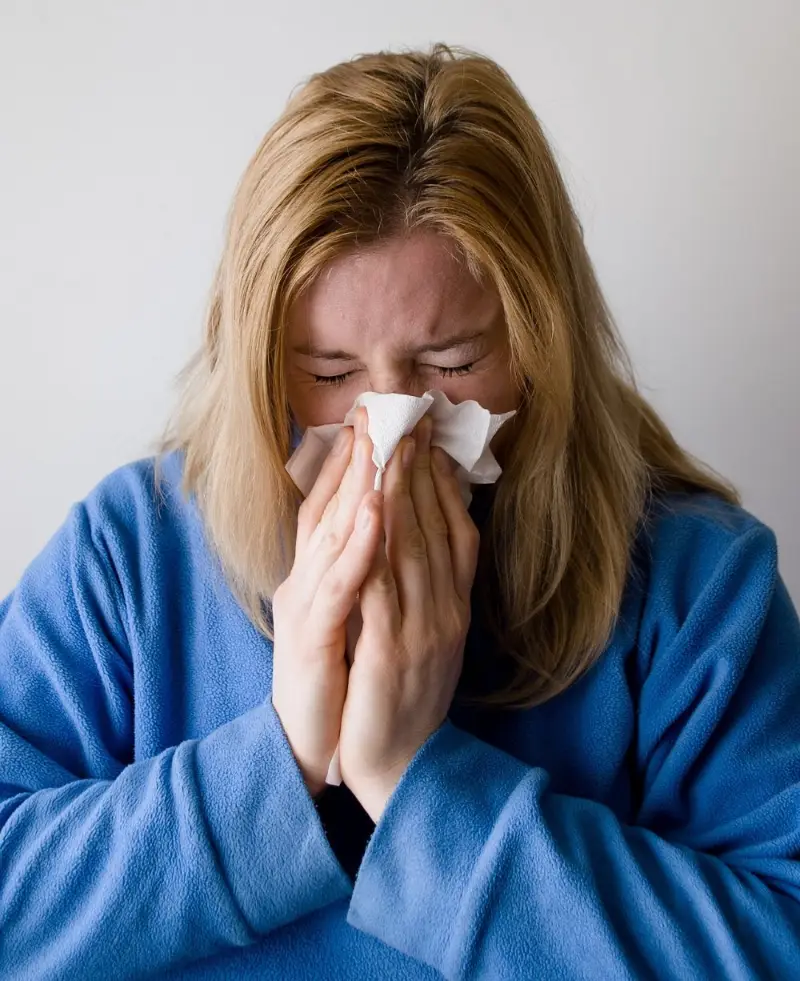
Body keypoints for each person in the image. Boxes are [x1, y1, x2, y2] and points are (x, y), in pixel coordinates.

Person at [1, 43, 798, 981]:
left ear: (540, 345)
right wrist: (285, 756)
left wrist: (414, 779)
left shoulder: (696, 586)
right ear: (258, 360)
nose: (389, 429)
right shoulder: (127, 556)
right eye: (330, 374)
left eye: (453, 364)